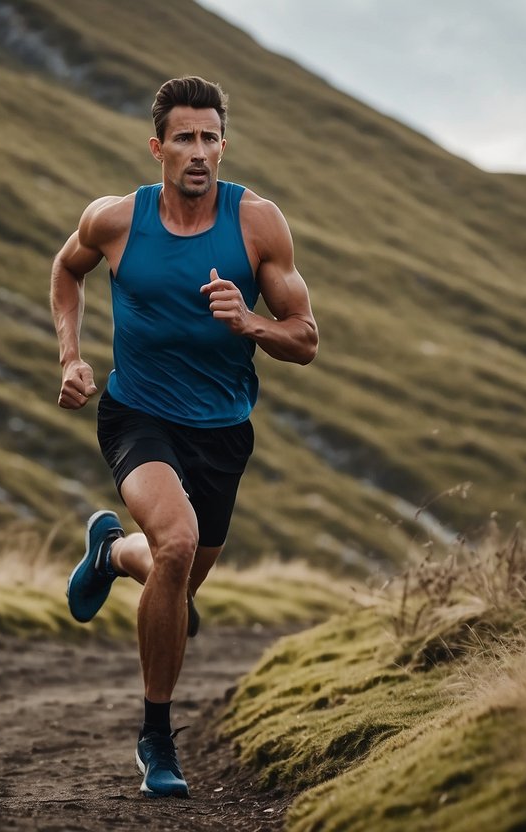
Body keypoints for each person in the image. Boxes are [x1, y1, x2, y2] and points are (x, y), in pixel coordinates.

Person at [50, 75, 318, 798]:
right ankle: (157, 739)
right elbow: (65, 270)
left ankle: (110, 551)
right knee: (175, 544)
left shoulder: (258, 224)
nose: (198, 152)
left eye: (209, 138)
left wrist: (250, 322)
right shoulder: (114, 220)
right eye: (184, 139)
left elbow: (305, 339)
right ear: (158, 147)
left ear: (222, 145)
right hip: (137, 415)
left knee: (176, 575)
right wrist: (72, 356)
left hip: (223, 430)